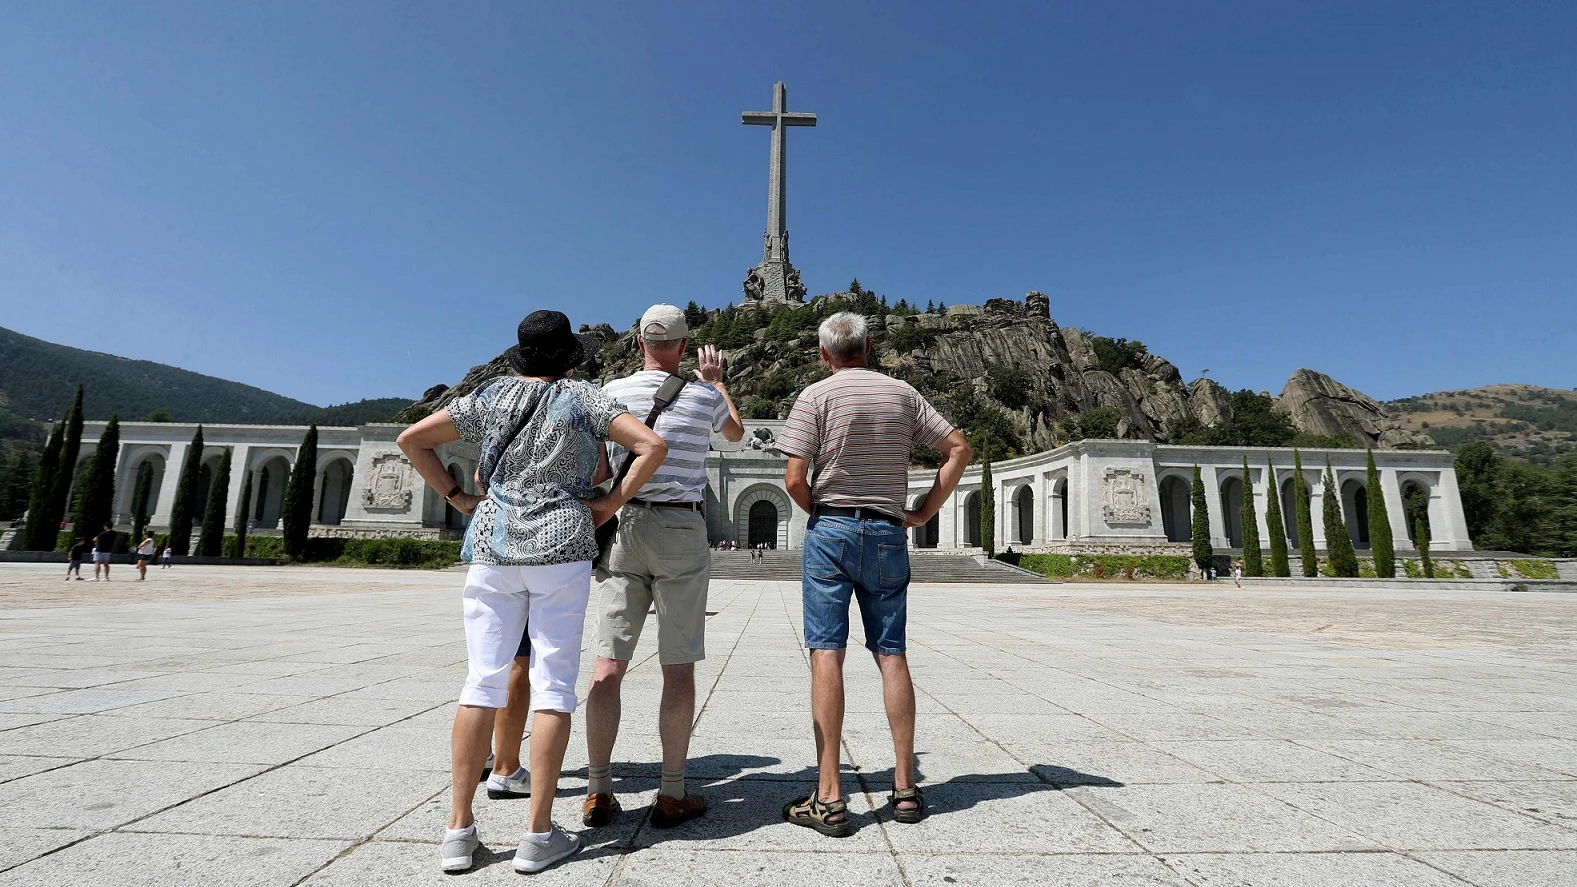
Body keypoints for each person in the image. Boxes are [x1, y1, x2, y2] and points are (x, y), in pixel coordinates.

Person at [396, 310, 666, 875]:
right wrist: (609, 505)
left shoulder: (489, 395)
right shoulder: (583, 398)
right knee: (554, 684)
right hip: (561, 547)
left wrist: (457, 497)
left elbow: (411, 439)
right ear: (568, 354)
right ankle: (538, 834)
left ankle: (458, 831)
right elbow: (650, 447)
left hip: (493, 547)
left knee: (482, 679)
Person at [776, 312, 972, 836]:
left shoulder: (814, 397)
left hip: (832, 531)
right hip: (887, 531)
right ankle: (905, 788)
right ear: (869, 348)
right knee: (891, 654)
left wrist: (822, 508)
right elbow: (958, 448)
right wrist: (925, 510)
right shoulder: (904, 393)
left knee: (826, 652)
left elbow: (794, 476)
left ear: (825, 354)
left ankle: (830, 797)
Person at [583, 304, 744, 830]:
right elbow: (736, 434)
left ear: (638, 344)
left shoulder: (608, 393)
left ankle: (599, 791)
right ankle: (671, 792)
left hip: (624, 523)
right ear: (683, 347)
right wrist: (717, 383)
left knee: (608, 665)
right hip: (680, 528)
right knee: (678, 667)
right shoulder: (700, 395)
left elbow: (601, 467)